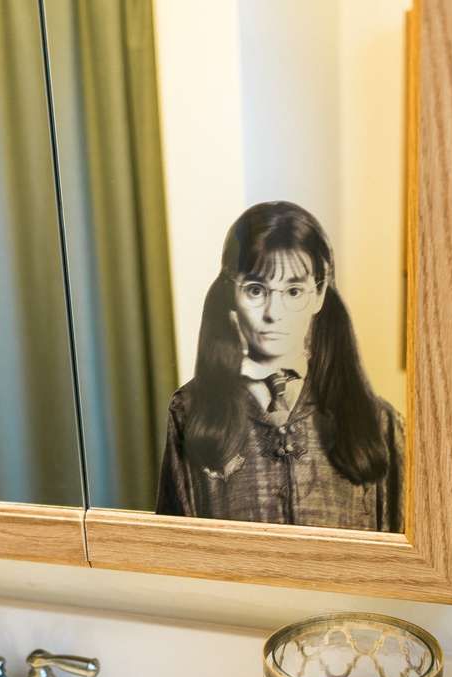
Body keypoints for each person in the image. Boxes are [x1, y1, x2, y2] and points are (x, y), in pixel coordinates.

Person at [155, 201, 404, 531]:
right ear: (232, 293)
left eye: (293, 291)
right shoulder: (190, 412)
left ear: (318, 295)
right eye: (256, 290)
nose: (274, 312)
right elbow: (176, 552)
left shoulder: (379, 422)